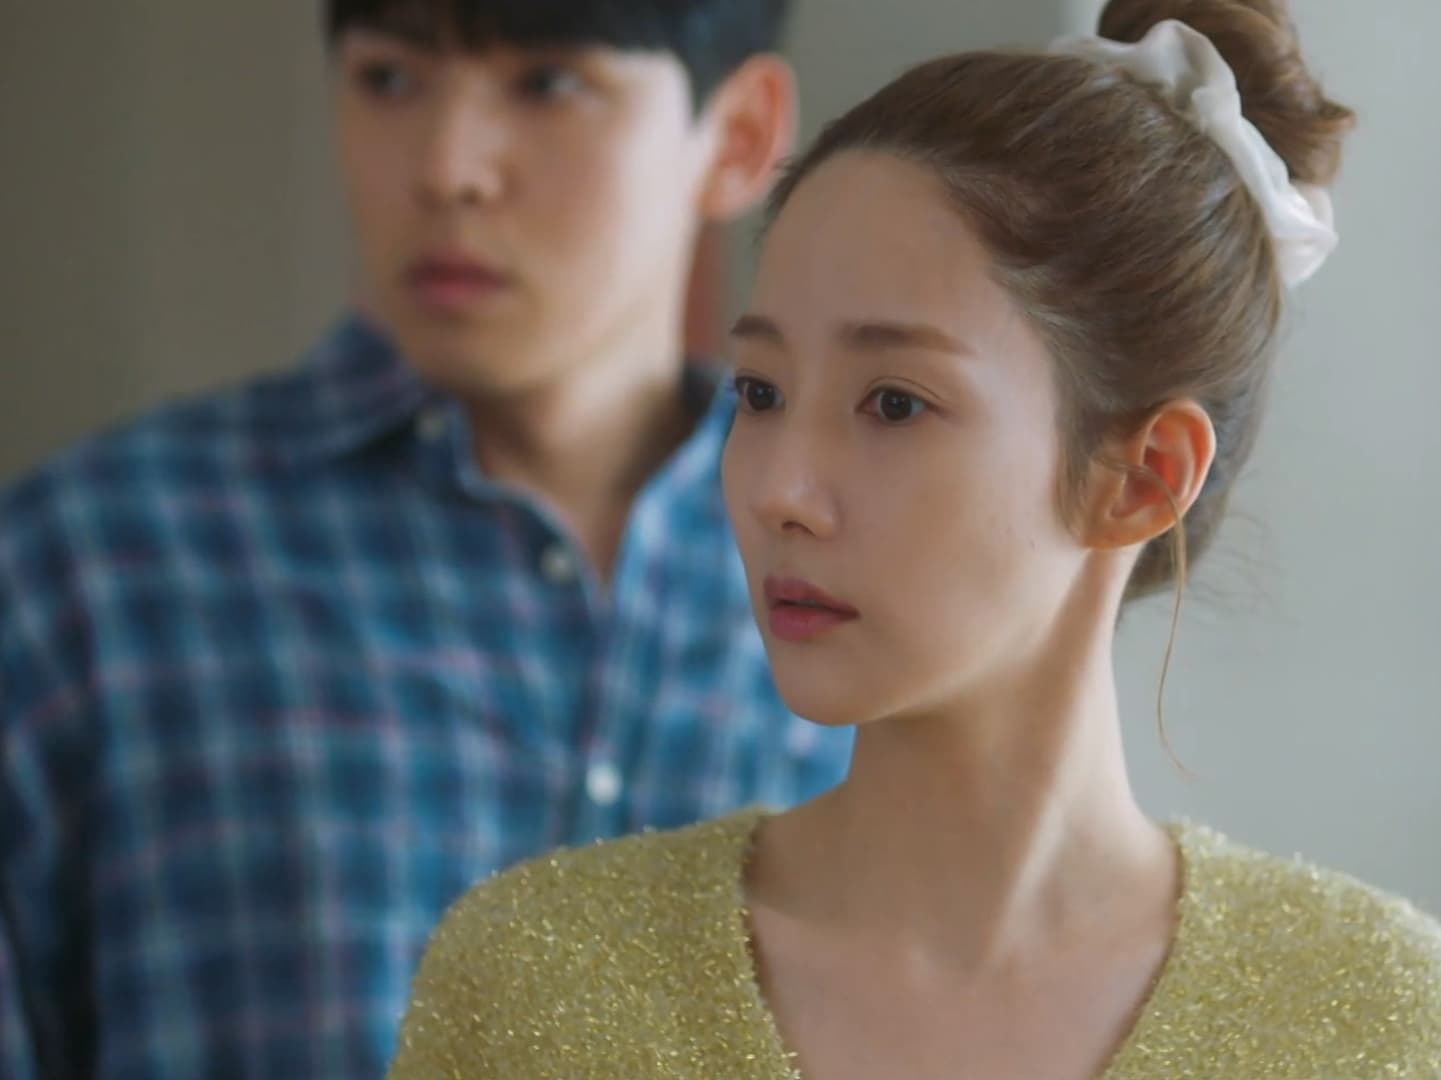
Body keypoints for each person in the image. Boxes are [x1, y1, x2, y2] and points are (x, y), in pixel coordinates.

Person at [387, 0, 1441, 1076]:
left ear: (1143, 476)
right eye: (762, 392)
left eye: (893, 404)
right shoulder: (533, 981)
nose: (778, 490)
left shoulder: (1374, 1017)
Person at [0, 2, 851, 1077]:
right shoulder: (94, 567)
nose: (448, 169)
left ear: (736, 136)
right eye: (391, 79)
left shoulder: (876, 579)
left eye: (548, 84)